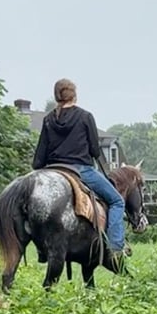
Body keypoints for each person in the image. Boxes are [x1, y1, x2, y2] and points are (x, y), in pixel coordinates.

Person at [32, 78, 131, 261]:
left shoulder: (48, 120)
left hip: (53, 170)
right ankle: (116, 248)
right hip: (81, 170)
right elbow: (95, 150)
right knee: (117, 201)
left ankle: (41, 248)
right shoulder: (85, 117)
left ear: (56, 96)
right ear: (74, 95)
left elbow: (38, 159)